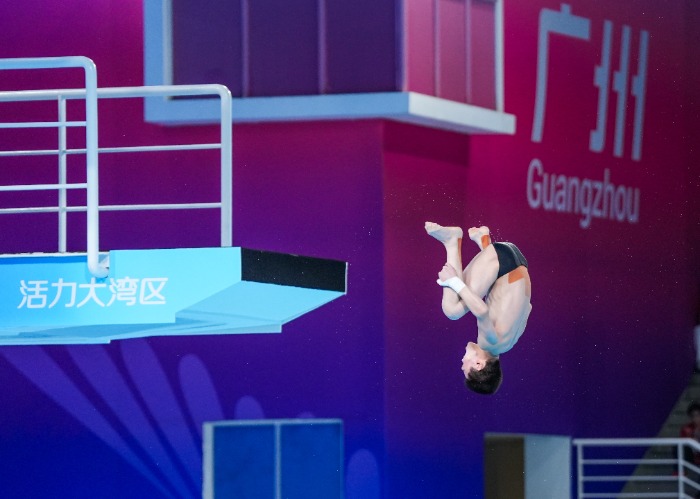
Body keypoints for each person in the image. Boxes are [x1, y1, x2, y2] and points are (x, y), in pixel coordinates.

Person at [425, 222, 532, 395]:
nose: (461, 362)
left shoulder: (509, 343)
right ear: (478, 364)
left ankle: (484, 241)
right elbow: (482, 311)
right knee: (452, 310)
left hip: (518, 260)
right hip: (502, 260)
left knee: (488, 296)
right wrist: (453, 281)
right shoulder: (489, 344)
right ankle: (452, 242)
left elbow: (528, 308)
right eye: (464, 367)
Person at [681, 401, 700, 466]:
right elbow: (683, 445)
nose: (695, 418)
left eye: (697, 415)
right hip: (692, 458)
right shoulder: (686, 429)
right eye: (693, 416)